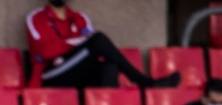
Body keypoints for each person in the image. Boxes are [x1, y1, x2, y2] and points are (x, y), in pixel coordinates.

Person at [27, 1, 179, 90]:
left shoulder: (80, 18)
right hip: (52, 75)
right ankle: (143, 81)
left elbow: (92, 48)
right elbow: (45, 51)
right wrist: (78, 41)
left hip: (78, 72)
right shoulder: (35, 18)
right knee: (98, 40)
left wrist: (73, 43)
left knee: (110, 65)